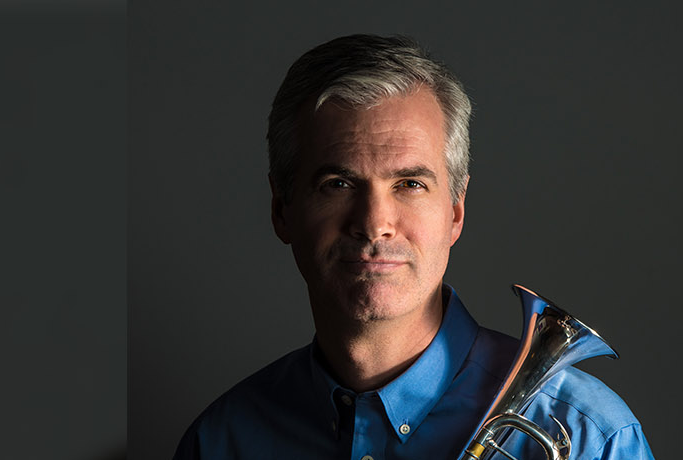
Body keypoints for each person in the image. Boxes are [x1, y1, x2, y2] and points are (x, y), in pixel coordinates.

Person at [173, 34, 654, 460]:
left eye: (409, 184)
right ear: (282, 211)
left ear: (456, 212)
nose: (374, 224)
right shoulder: (220, 442)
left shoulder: (590, 439)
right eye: (338, 183)